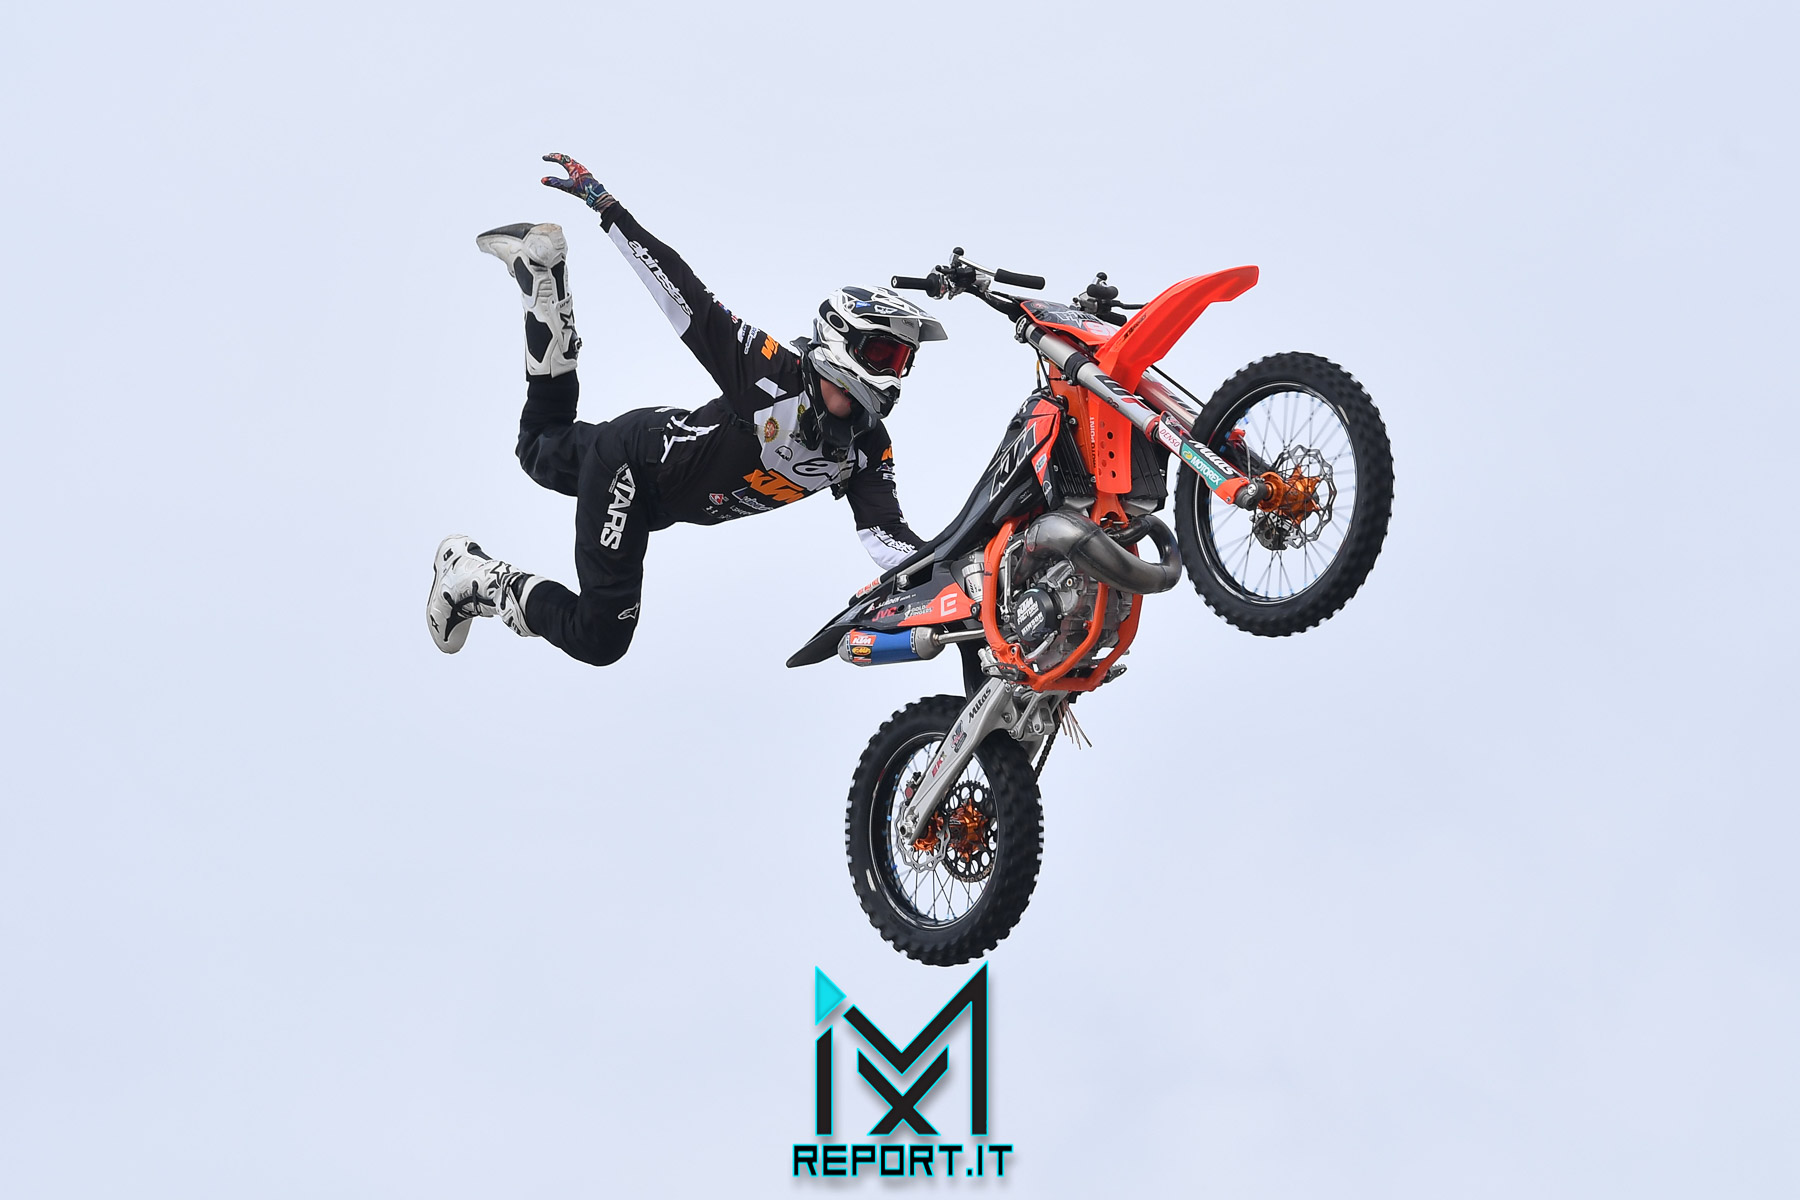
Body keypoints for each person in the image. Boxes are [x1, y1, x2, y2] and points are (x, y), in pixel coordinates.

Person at [426, 154, 947, 666]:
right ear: (841, 339)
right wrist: (607, 208)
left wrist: (959, 573)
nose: (892, 374)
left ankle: (541, 280)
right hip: (631, 470)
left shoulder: (867, 446)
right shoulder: (773, 373)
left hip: (654, 474)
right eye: (884, 354)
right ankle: (477, 580)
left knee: (537, 446)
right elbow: (684, 295)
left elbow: (885, 537)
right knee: (600, 638)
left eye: (903, 361)